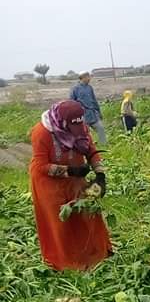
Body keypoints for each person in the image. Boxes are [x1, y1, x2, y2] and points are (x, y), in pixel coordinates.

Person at [29, 100, 112, 270]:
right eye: (72, 127)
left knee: (87, 212)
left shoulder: (81, 128)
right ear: (62, 122)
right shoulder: (42, 132)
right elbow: (40, 166)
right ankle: (66, 263)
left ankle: (96, 254)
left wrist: (100, 175)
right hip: (48, 182)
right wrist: (70, 171)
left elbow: (91, 150)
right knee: (60, 220)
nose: (77, 130)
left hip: (75, 177)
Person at [70, 72, 106, 144]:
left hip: (92, 113)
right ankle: (88, 147)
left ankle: (103, 144)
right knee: (85, 133)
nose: (89, 79)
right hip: (82, 115)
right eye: (88, 77)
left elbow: (94, 100)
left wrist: (99, 112)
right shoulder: (75, 89)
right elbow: (71, 102)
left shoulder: (89, 87)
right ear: (83, 78)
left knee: (100, 128)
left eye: (89, 77)